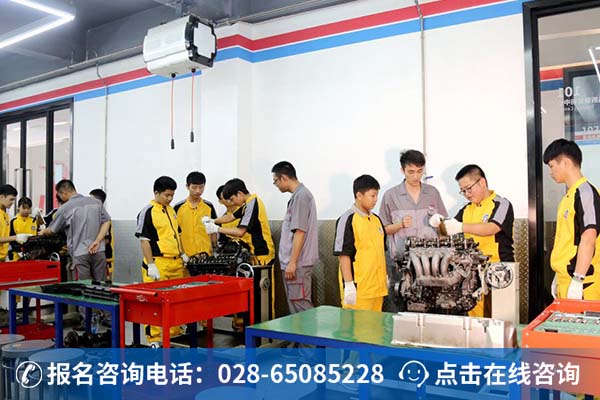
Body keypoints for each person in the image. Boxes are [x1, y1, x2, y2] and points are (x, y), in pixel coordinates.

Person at [430, 164, 514, 317]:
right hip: (472, 272)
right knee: (476, 316)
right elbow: (447, 231)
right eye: (463, 191)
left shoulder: (501, 204)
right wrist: (440, 223)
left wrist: (461, 227)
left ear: (482, 182)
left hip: (498, 269)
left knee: (500, 317)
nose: (466, 194)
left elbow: (492, 227)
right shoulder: (467, 209)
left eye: (469, 188)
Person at [543, 139, 600, 300]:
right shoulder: (569, 197)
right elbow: (568, 242)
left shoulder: (585, 193)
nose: (550, 172)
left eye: (552, 166)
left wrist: (578, 279)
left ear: (566, 162)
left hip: (584, 284)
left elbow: (588, 237)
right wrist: (559, 274)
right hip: (567, 279)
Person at [135, 176, 187, 345]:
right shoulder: (147, 212)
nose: (170, 198)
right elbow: (144, 240)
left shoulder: (171, 210)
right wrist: (151, 265)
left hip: (175, 263)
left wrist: (182, 254)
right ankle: (155, 339)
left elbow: (176, 235)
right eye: (166, 195)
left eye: (172, 195)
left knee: (175, 301)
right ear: (156, 193)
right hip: (158, 264)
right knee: (155, 304)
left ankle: (175, 337)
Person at [380, 150, 448, 260]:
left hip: (432, 258)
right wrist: (400, 225)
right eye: (411, 172)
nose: (416, 176)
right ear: (402, 170)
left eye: (420, 171)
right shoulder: (390, 195)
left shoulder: (433, 193)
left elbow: (444, 224)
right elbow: (383, 229)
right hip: (402, 259)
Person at [333, 175, 387, 311]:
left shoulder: (376, 220)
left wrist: (384, 277)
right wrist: (349, 285)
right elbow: (343, 255)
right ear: (359, 195)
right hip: (359, 292)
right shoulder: (348, 219)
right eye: (372, 195)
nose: (375, 199)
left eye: (377, 195)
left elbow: (380, 252)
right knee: (358, 325)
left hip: (377, 291)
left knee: (377, 324)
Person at [39, 180, 111, 281]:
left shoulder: (65, 208)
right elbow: (107, 221)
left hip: (80, 253)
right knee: (102, 284)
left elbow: (52, 230)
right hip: (98, 251)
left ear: (63, 193)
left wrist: (43, 231)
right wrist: (97, 241)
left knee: (84, 285)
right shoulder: (96, 202)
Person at [272, 161, 319, 314]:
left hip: (297, 264)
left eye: (276, 181)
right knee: (297, 307)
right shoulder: (298, 196)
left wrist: (292, 262)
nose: (276, 185)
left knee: (301, 308)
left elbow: (300, 232)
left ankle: (309, 332)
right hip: (296, 264)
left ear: (284, 178)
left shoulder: (301, 197)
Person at [205, 178, 275, 265]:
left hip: (262, 253)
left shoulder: (252, 204)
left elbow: (240, 232)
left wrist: (216, 229)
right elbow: (231, 216)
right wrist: (213, 221)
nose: (233, 202)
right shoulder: (247, 204)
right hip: (254, 252)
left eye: (232, 199)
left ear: (239, 193)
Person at [173, 172, 217, 257]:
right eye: (194, 187)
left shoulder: (209, 206)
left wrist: (215, 248)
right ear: (187, 186)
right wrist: (181, 253)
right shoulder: (178, 207)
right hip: (186, 255)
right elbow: (175, 232)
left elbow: (214, 229)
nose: (198, 191)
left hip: (206, 254)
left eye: (201, 187)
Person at [0, 185, 30, 262]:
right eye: (11, 199)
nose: (12, 203)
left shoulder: (5, 215)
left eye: (14, 200)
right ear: (2, 197)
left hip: (3, 257)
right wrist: (16, 238)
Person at [89, 189, 115, 279]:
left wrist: (93, 242)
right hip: (94, 256)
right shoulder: (92, 216)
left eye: (90, 199)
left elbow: (106, 240)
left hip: (106, 258)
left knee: (104, 283)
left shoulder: (104, 218)